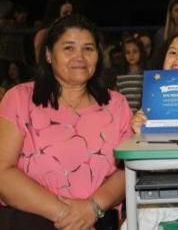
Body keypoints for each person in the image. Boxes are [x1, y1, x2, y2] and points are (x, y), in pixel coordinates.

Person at [0, 14, 133, 230]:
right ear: (49, 55)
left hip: (98, 219)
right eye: (69, 48)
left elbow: (128, 168)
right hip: (29, 220)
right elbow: (3, 172)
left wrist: (91, 208)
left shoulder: (116, 104)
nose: (79, 56)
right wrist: (68, 216)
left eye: (88, 49)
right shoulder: (20, 98)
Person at [33, 0, 74, 64]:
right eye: (65, 13)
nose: (69, 16)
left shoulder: (73, 34)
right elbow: (40, 62)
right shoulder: (43, 34)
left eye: (71, 13)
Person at [116, 37, 147, 113]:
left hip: (141, 117)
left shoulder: (146, 76)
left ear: (141, 52)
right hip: (124, 118)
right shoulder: (120, 77)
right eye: (128, 52)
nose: (131, 55)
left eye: (135, 51)